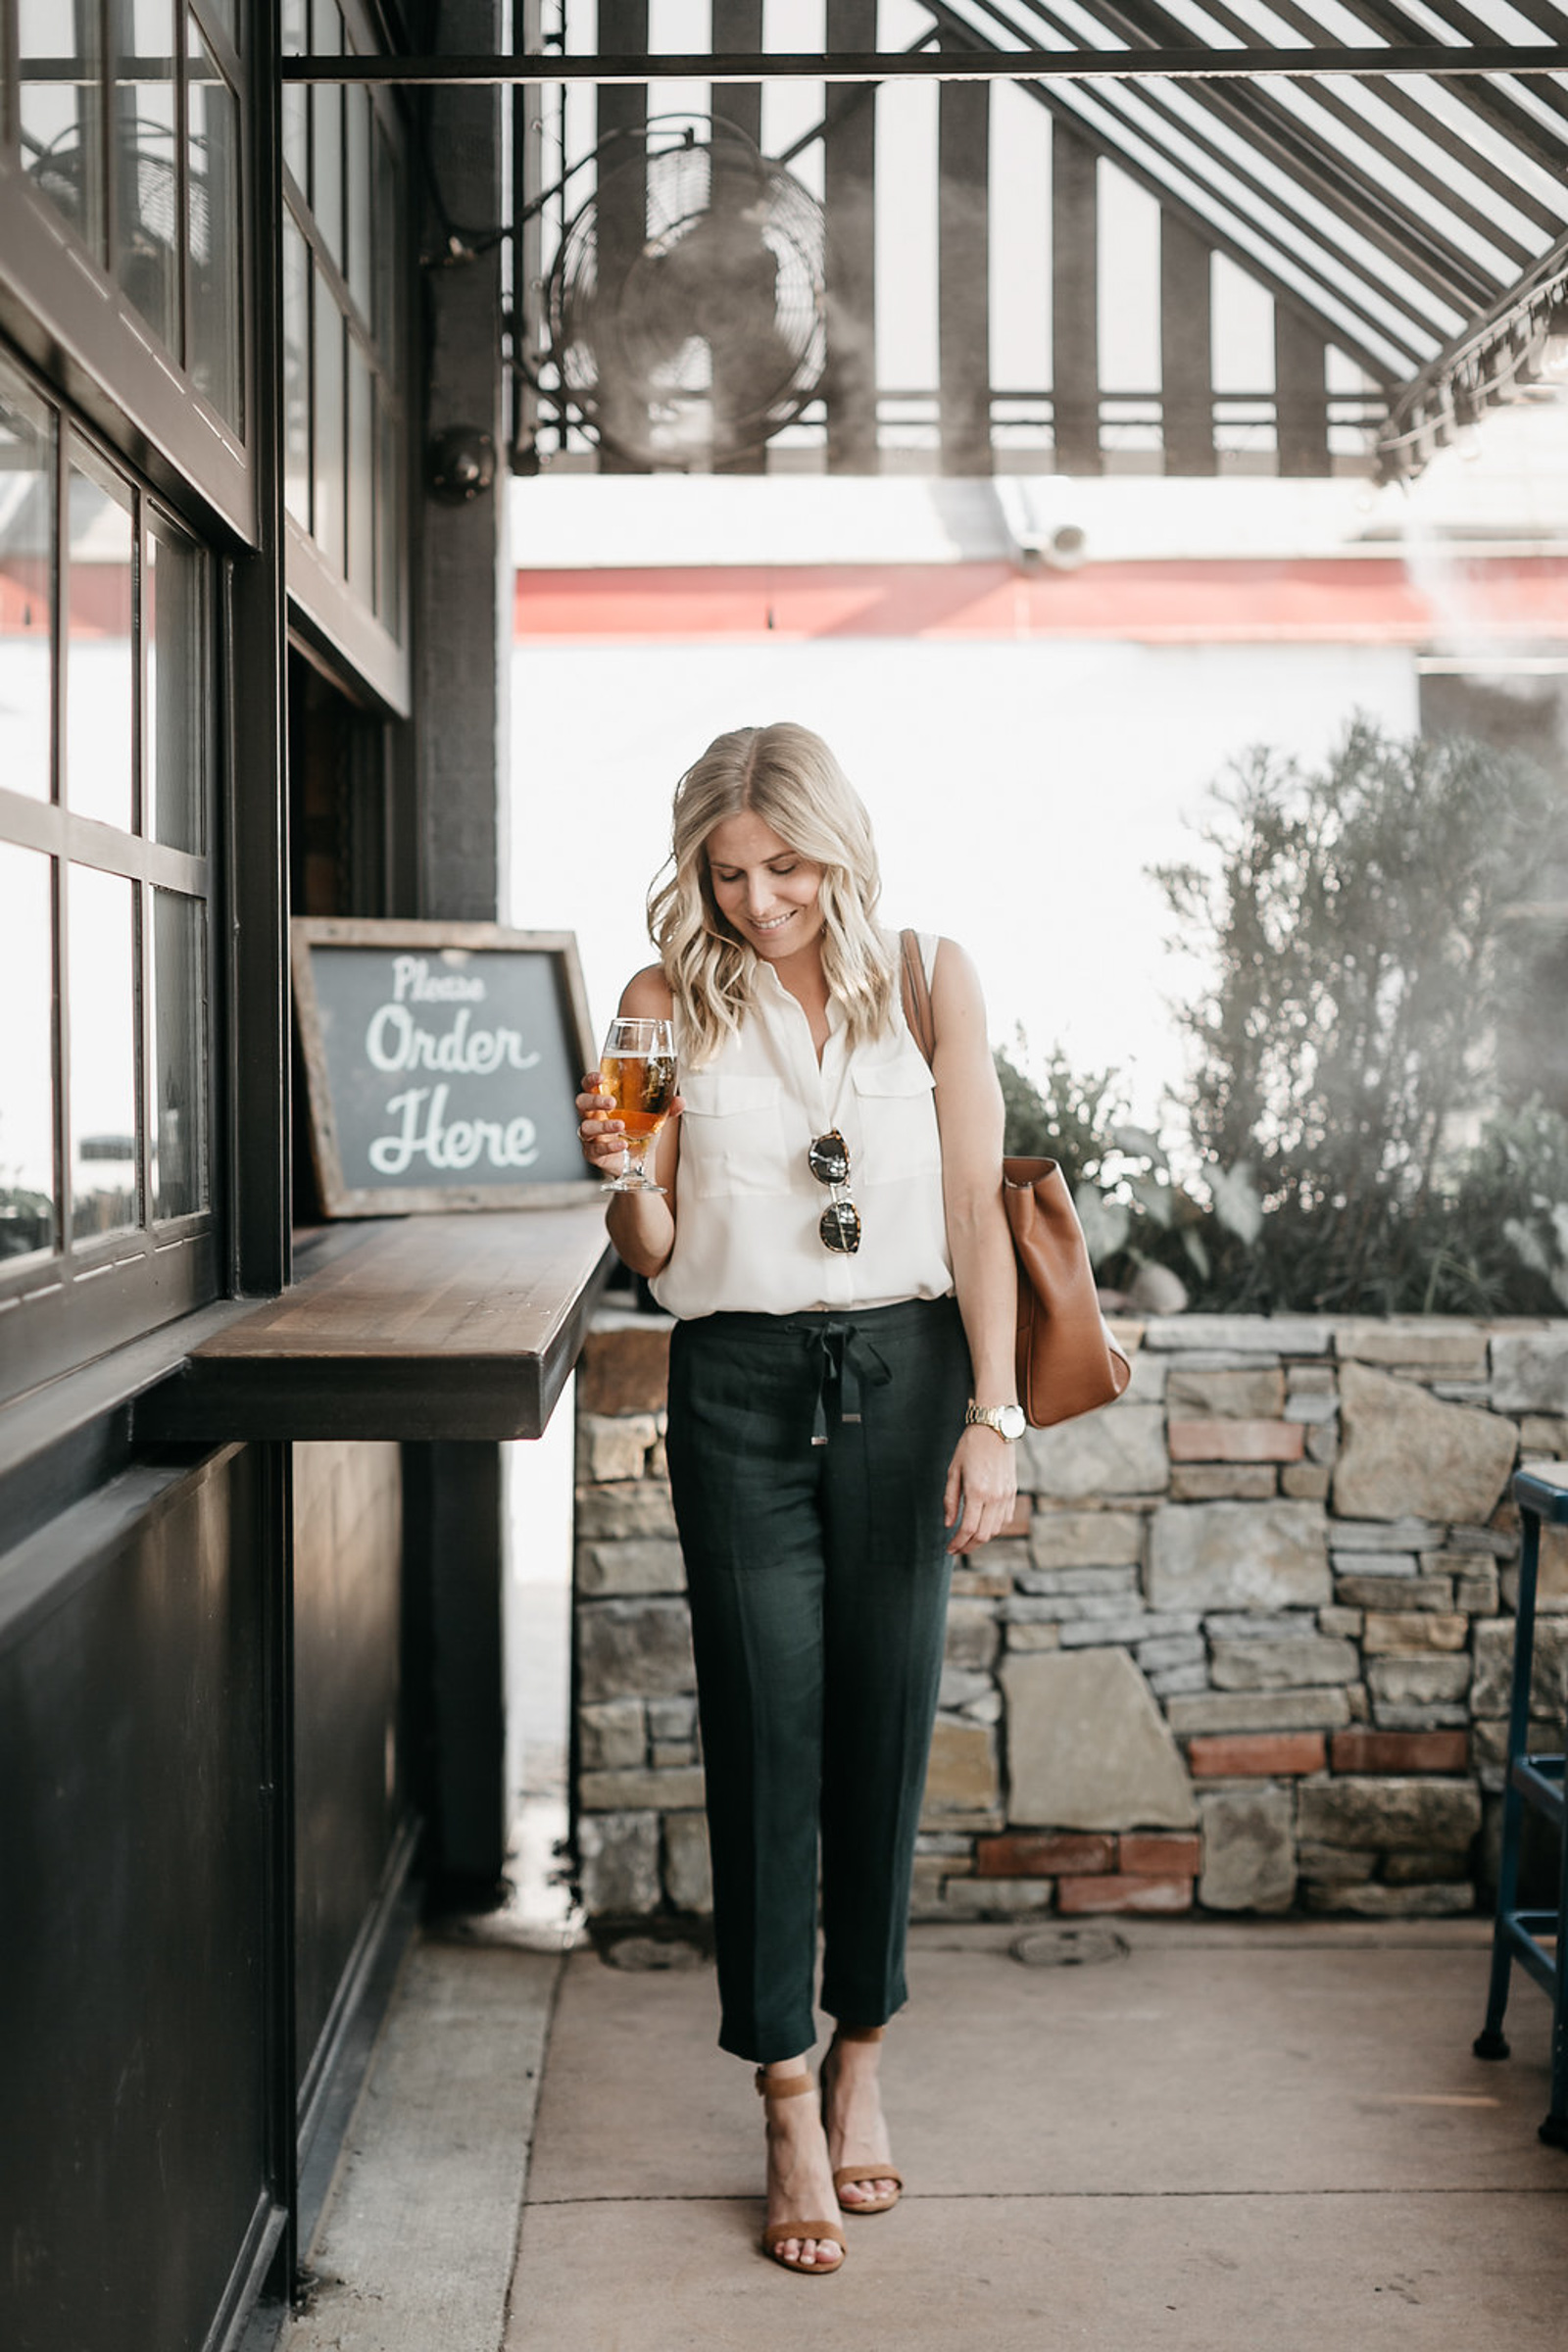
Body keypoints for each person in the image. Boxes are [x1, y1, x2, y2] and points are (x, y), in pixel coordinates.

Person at [575, 722, 1022, 2276]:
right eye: (729, 872)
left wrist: (997, 1418)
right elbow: (645, 1243)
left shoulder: (928, 977)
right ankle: (778, 2093)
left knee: (886, 1729)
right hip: (739, 1387)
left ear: (840, 842)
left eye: (786, 864)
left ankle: (865, 2061)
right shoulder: (653, 1003)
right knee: (765, 1734)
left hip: (907, 1380)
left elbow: (974, 1205)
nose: (762, 899)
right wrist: (618, 1163)